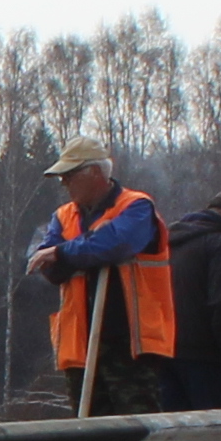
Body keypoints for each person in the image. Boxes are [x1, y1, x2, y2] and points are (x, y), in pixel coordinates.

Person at [26, 137, 175, 411]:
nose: (64, 184)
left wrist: (66, 252)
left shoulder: (137, 207)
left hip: (131, 345)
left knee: (137, 427)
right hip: (80, 348)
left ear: (94, 173)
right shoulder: (63, 216)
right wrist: (77, 252)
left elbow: (116, 244)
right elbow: (48, 267)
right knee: (90, 437)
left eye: (69, 176)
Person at [167, 187, 221, 413]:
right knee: (210, 431)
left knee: (174, 434)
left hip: (165, 353)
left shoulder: (171, 241)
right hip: (206, 358)